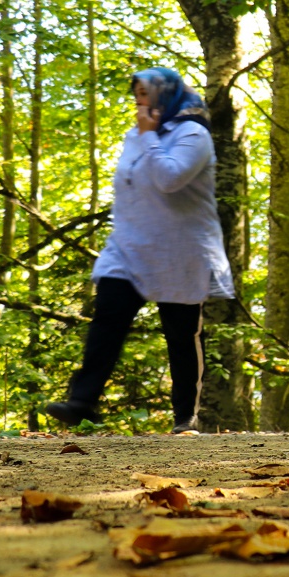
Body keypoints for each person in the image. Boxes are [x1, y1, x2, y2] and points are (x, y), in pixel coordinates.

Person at [43, 69, 235, 434]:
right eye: (136, 95)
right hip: (130, 248)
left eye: (145, 94)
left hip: (179, 250)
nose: (139, 102)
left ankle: (185, 418)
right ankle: (82, 402)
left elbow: (169, 179)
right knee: (108, 316)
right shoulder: (135, 135)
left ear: (166, 95)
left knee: (181, 335)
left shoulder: (193, 135)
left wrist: (149, 136)